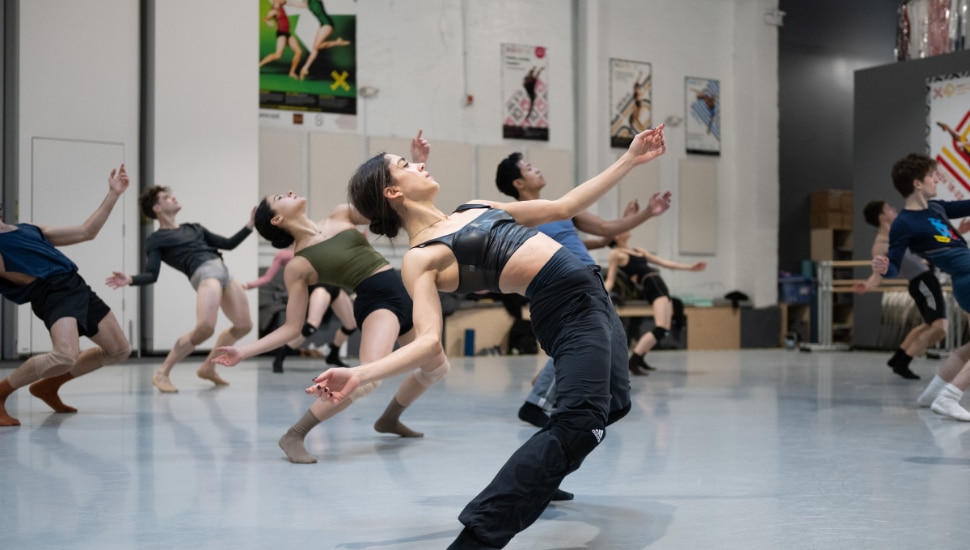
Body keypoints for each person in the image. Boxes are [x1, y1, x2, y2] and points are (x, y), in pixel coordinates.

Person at [315, 125, 666, 549]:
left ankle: (544, 471)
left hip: (595, 295)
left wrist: (631, 157)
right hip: (566, 308)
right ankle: (478, 537)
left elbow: (564, 205)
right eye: (407, 165)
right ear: (392, 193)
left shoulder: (477, 206)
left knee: (616, 403)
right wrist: (362, 372)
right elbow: (428, 342)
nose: (421, 164)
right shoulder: (421, 258)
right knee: (580, 422)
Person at [213, 131, 450, 465]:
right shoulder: (298, 265)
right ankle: (293, 434)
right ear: (278, 219)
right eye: (281, 196)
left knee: (437, 367)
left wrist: (416, 164)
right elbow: (292, 328)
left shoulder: (341, 214)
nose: (290, 191)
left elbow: (389, 203)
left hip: (404, 289)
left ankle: (389, 419)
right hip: (376, 301)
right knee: (367, 379)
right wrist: (244, 350)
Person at [494, 151, 671, 428]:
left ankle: (603, 404)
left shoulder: (561, 208)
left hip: (591, 279)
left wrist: (649, 212)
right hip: (566, 284)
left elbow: (607, 228)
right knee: (586, 343)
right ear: (518, 183)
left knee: (608, 343)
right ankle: (538, 402)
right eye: (529, 167)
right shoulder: (520, 218)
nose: (537, 169)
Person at [0, 165, 132, 427]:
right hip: (50, 291)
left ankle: (47, 387)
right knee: (64, 355)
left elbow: (86, 231)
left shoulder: (30, 229)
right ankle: (1, 392)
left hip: (74, 284)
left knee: (119, 350)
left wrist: (113, 194)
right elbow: (7, 273)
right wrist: (37, 280)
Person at [106, 187, 255, 393]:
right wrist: (131, 279)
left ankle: (208, 367)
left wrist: (250, 225)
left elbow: (228, 244)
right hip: (205, 275)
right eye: (166, 197)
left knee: (244, 325)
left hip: (225, 273)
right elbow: (152, 274)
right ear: (157, 208)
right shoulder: (156, 239)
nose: (173, 198)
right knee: (204, 329)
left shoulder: (195, 228)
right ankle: (162, 373)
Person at [872, 153, 970, 421]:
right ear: (917, 183)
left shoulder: (937, 207)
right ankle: (949, 398)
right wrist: (883, 267)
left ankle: (932, 394)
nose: (935, 179)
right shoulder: (904, 223)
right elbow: (893, 266)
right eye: (931, 175)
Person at [857, 200, 949, 380]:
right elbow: (877, 275)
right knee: (940, 328)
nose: (894, 210)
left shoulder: (899, 234)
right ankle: (904, 362)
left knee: (929, 325)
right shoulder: (882, 245)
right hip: (922, 283)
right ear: (883, 218)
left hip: (925, 280)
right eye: (889, 209)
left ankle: (898, 358)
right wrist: (867, 285)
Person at [604, 230, 706, 375]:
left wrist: (690, 268)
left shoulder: (639, 251)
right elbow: (610, 280)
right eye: (621, 230)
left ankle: (640, 358)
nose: (627, 229)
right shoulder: (615, 254)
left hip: (659, 284)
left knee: (665, 328)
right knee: (660, 326)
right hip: (651, 285)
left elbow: (663, 263)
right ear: (616, 236)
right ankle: (633, 361)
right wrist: (599, 294)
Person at [243, 245, 357, 372]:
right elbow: (267, 277)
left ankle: (333, 354)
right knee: (311, 326)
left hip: (335, 287)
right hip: (319, 287)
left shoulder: (316, 243)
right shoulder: (284, 255)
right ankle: (281, 355)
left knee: (351, 325)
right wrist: (249, 285)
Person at [292, 0, 351, 81]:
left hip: (327, 24)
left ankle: (337, 42)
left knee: (316, 46)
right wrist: (286, 2)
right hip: (322, 25)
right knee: (315, 48)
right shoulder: (307, 4)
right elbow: (296, 4)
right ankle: (305, 68)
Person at [258, 0, 303, 79]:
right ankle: (258, 65)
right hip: (281, 34)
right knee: (278, 55)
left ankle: (292, 73)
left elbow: (292, 3)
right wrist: (268, 22)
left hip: (287, 33)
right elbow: (265, 18)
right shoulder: (274, 11)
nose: (284, 0)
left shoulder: (281, 5)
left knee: (298, 51)